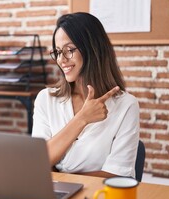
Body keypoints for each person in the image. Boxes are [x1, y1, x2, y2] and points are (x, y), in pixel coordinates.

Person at [32, 12, 140, 178]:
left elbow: (117, 174)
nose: (61, 60)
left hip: (99, 197)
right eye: (58, 51)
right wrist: (82, 118)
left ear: (92, 49)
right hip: (54, 195)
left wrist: (60, 177)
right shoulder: (46, 99)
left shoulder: (126, 105)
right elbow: (38, 162)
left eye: (69, 50)